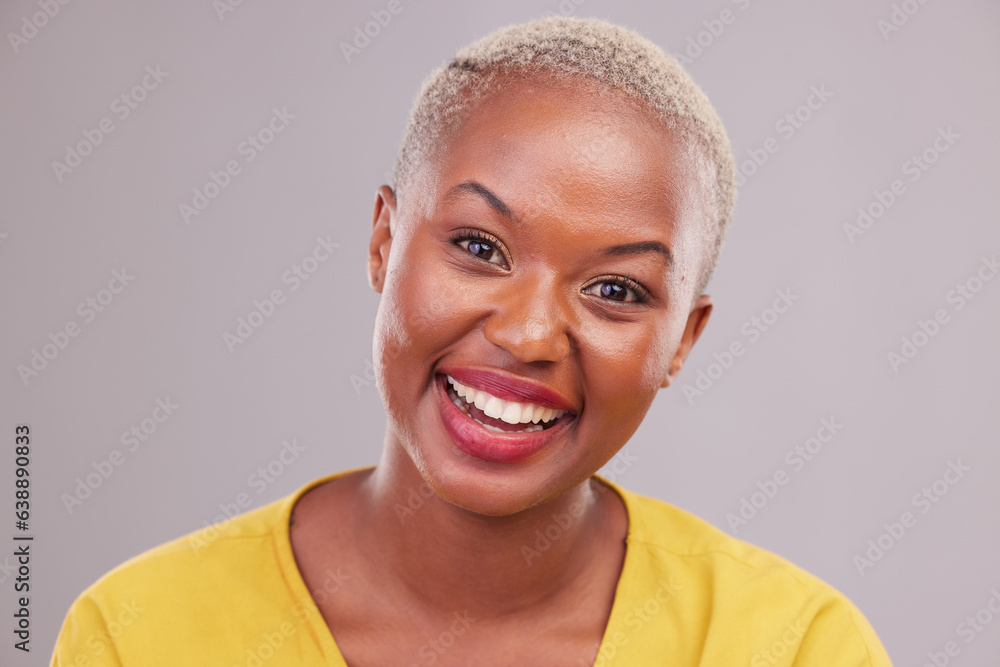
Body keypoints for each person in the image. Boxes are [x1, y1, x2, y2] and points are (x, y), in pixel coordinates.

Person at [50, 16, 893, 666]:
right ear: (383, 241)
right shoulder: (139, 632)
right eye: (479, 247)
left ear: (683, 339)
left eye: (616, 290)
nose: (529, 335)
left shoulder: (791, 644)